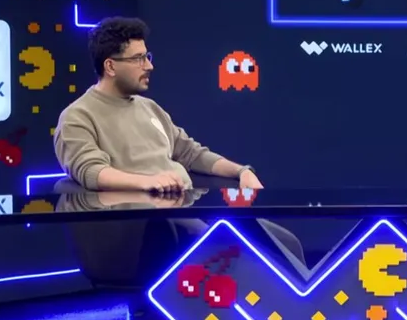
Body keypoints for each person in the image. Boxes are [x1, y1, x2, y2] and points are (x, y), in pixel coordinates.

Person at [54, 17, 263, 192]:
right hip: (145, 219)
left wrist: (241, 171)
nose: (149, 66)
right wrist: (148, 182)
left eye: (147, 57)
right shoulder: (78, 116)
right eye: (138, 59)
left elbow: (192, 154)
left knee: (274, 231)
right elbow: (91, 171)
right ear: (110, 66)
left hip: (186, 209)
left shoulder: (150, 108)